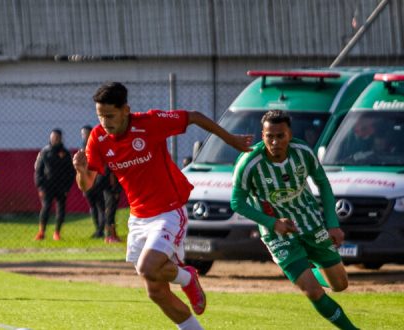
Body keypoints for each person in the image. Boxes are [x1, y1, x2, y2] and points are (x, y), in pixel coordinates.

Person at [73, 82, 252, 330]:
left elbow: (194, 117)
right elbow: (86, 184)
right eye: (100, 116)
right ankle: (189, 296)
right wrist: (81, 170)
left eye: (110, 115)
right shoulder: (98, 138)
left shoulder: (150, 123)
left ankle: (187, 276)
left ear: (126, 110)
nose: (104, 122)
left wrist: (231, 140)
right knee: (155, 291)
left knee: (148, 268)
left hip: (168, 211)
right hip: (138, 217)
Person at [231, 110, 358, 329]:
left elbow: (323, 185)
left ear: (290, 134)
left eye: (280, 136)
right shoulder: (249, 162)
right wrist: (273, 223)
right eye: (269, 136)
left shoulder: (303, 152)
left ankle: (311, 270)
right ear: (262, 135)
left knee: (340, 285)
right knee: (313, 292)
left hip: (310, 222)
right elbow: (237, 203)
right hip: (276, 234)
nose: (275, 141)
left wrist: (333, 224)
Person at [34, 128, 76, 241]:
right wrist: (40, 186)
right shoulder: (44, 152)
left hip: (61, 187)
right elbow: (38, 171)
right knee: (46, 208)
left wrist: (67, 187)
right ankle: (41, 232)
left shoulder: (66, 153)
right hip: (47, 187)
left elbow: (71, 172)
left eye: (57, 137)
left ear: (61, 139)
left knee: (61, 209)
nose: (54, 139)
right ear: (50, 138)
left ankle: (57, 233)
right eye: (53, 137)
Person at [80, 125, 107, 238]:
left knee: (101, 206)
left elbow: (105, 164)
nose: (84, 136)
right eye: (82, 134)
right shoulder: (82, 148)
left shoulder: (99, 145)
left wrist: (99, 180)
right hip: (88, 183)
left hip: (99, 181)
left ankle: (101, 230)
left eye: (86, 133)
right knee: (92, 206)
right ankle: (98, 230)